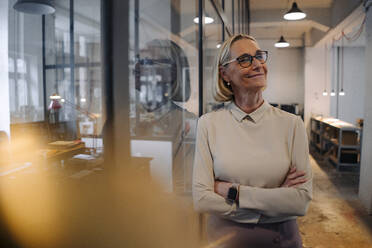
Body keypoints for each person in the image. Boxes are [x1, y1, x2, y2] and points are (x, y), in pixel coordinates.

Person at [192, 34, 312, 248]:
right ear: (225, 73)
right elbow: (202, 199)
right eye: (245, 59)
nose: (257, 64)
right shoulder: (208, 124)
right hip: (225, 241)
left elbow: (300, 201)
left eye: (259, 56)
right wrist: (275, 201)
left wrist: (234, 192)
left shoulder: (292, 125)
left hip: (281, 241)